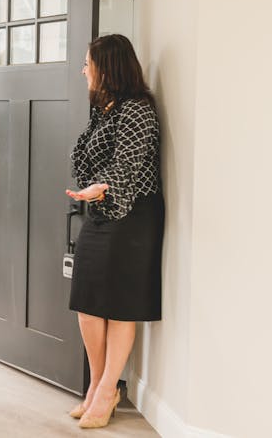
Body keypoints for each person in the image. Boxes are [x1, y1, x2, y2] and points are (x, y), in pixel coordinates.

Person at [64, 34, 164, 428]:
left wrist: (101, 186)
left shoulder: (138, 110)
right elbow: (83, 155)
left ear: (109, 67)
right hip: (102, 211)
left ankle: (106, 390)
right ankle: (98, 385)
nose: (84, 70)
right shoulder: (105, 109)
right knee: (88, 303)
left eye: (88, 63)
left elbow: (127, 165)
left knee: (120, 305)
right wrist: (94, 189)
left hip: (135, 214)